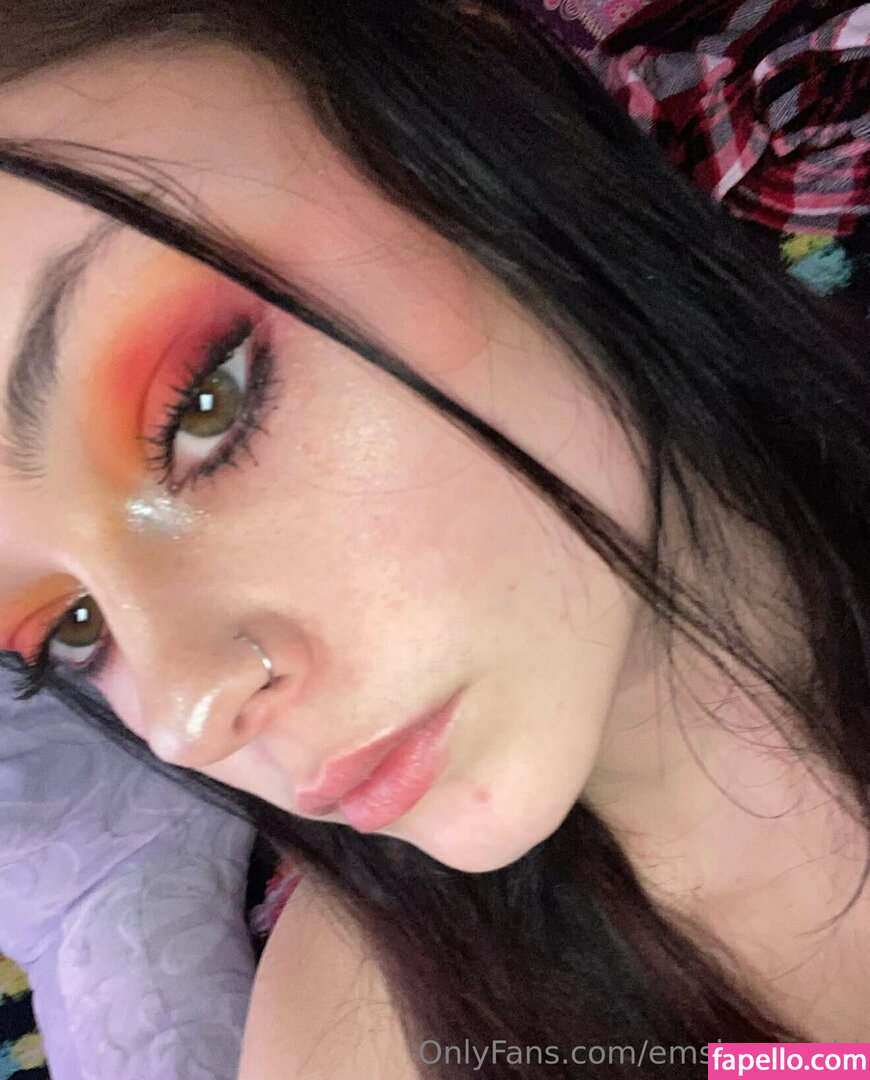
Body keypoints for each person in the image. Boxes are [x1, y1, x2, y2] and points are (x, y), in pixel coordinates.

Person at [0, 1, 867, 1077]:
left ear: (473, 112)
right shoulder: (354, 1052)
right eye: (74, 627)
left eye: (204, 406)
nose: (186, 715)